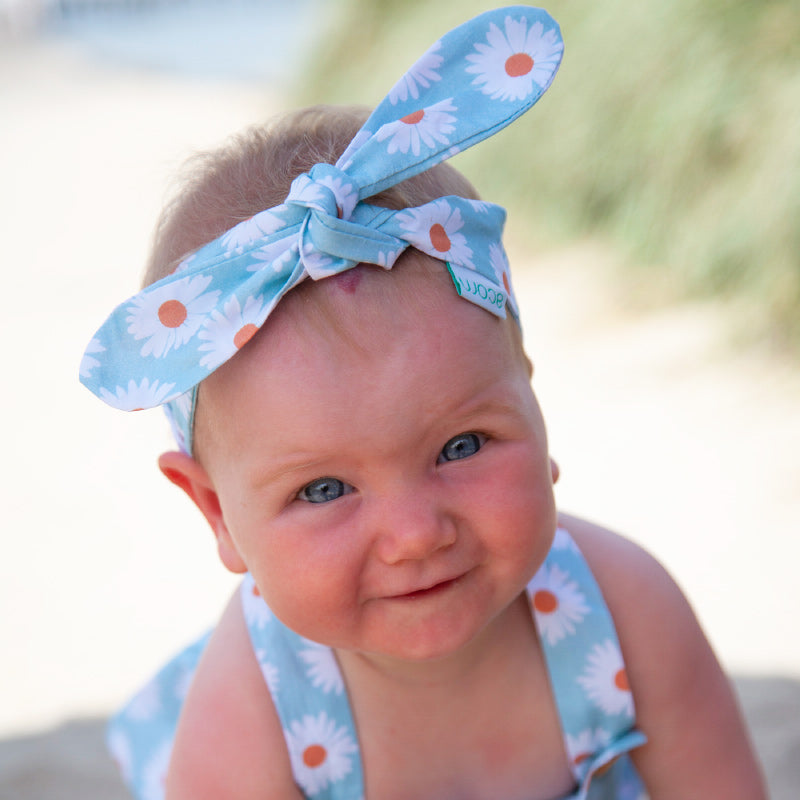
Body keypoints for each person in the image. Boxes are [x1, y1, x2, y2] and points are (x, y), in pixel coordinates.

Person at [81, 7, 766, 799]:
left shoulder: (627, 613)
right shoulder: (256, 706)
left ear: (530, 400)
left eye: (464, 445)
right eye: (324, 489)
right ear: (216, 513)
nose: (414, 536)